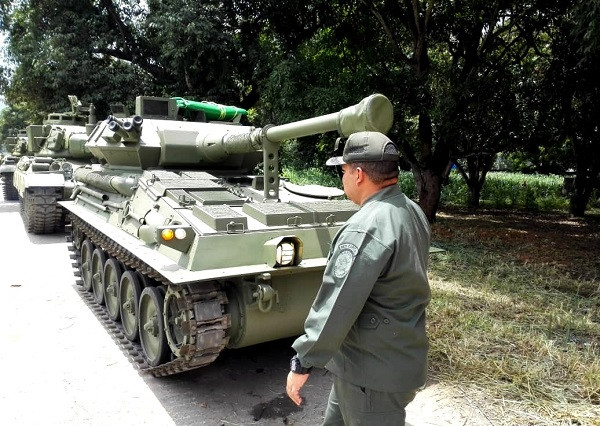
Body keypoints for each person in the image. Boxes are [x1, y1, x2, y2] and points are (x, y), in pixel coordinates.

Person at [285, 131, 431, 425]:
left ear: (359, 174)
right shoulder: (411, 210)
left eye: (343, 171)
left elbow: (338, 303)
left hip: (373, 372)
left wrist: (303, 361)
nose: (343, 179)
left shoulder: (366, 226)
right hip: (379, 360)